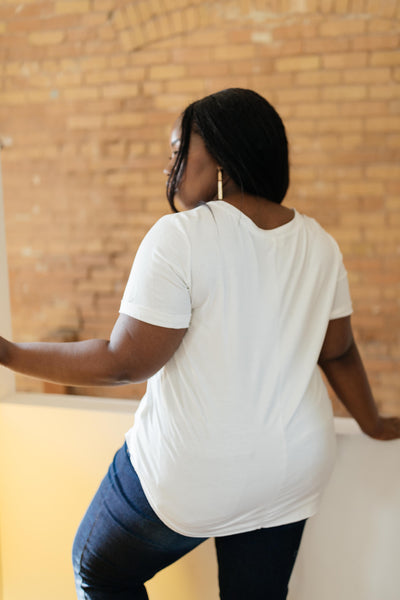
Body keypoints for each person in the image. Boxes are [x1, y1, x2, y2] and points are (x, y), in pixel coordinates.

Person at [0, 88, 399, 600]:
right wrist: (373, 422)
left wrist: (8, 353)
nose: (169, 167)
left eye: (177, 151)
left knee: (96, 567)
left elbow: (123, 362)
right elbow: (338, 351)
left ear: (219, 156)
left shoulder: (182, 236)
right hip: (295, 472)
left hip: (196, 477)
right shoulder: (319, 243)